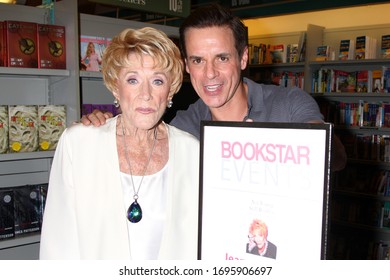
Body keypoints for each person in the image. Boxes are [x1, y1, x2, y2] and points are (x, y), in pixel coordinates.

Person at [81, 3, 346, 171]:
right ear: (186, 65)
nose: (210, 74)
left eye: (222, 58)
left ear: (243, 58)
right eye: (198, 60)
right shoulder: (185, 127)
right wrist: (102, 125)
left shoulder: (289, 103)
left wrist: (271, 145)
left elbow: (336, 159)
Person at [39, 27, 199, 259]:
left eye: (157, 81)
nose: (146, 94)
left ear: (170, 89)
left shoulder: (191, 151)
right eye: (133, 79)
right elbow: (57, 245)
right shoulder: (79, 144)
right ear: (116, 86)